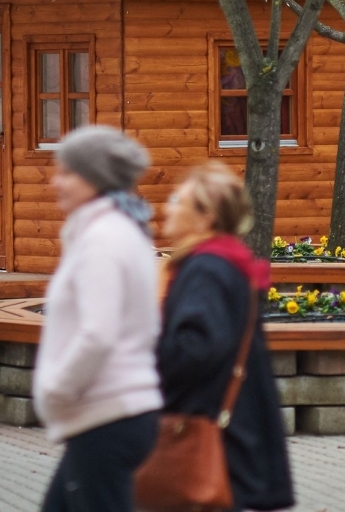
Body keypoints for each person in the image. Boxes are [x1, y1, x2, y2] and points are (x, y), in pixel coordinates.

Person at [33, 125, 162, 512]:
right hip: (112, 415)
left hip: (106, 417)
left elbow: (98, 334)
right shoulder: (121, 231)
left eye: (67, 172)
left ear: (95, 178)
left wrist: (55, 391)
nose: (56, 182)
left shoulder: (102, 240)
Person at [157, 162, 294, 512]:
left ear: (206, 217)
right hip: (228, 429)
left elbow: (196, 347)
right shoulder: (223, 262)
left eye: (176, 199)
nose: (166, 207)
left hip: (205, 428)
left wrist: (142, 348)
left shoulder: (207, 270)